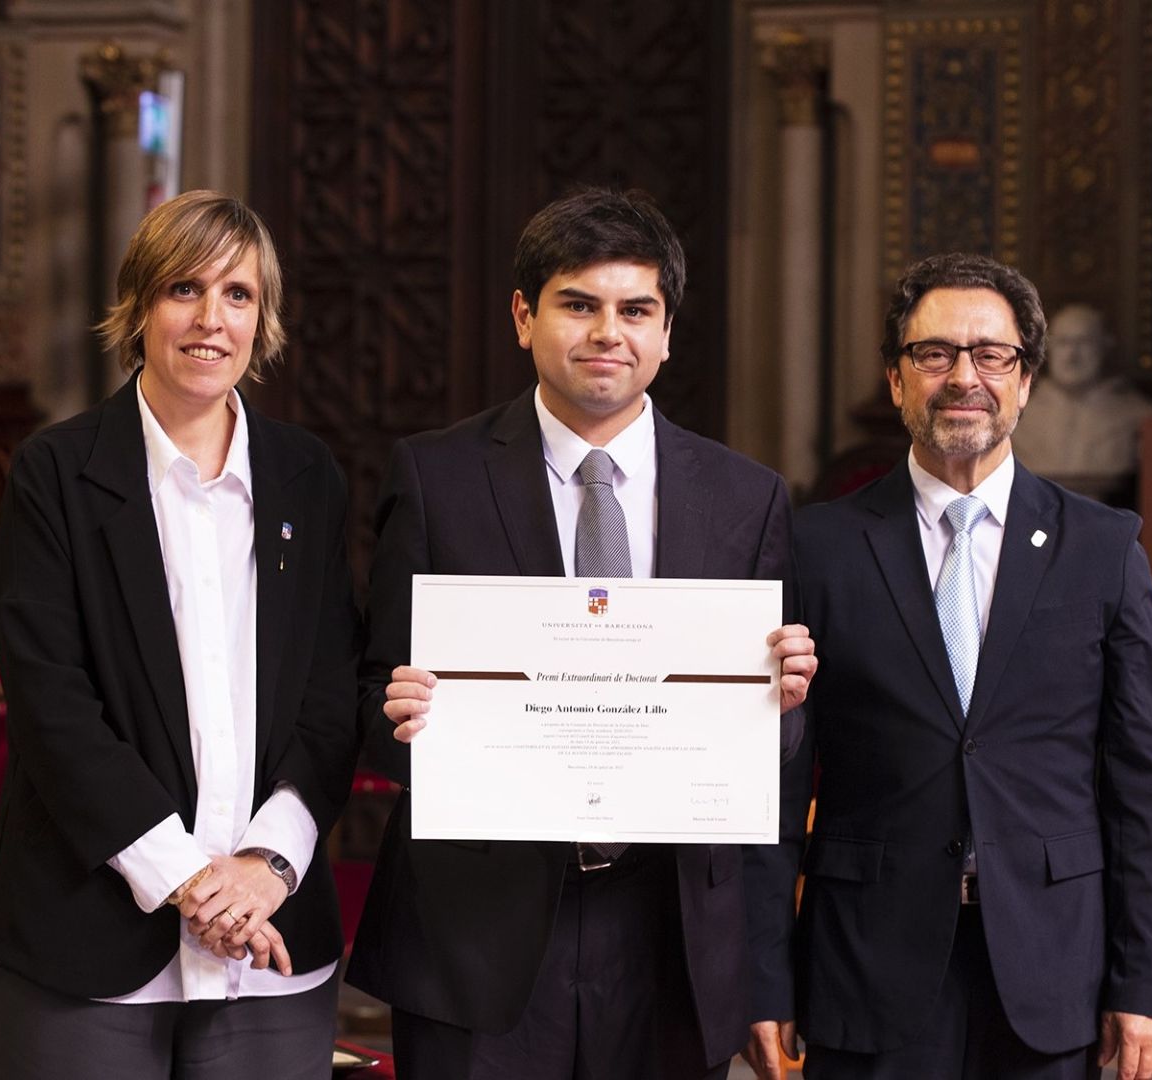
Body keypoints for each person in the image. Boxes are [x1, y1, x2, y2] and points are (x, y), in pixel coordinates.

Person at [346, 186, 818, 1080]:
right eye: (578, 305)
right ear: (525, 316)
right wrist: (400, 717)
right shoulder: (435, 477)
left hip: (671, 935)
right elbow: (373, 698)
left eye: (635, 309)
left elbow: (774, 757)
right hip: (475, 934)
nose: (609, 332)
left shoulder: (743, 497)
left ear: (667, 331)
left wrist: (782, 704)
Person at [744, 254, 1152, 1080]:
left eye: (991, 355)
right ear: (895, 379)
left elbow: (1145, 783)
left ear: (1025, 381)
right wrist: (762, 975)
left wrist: (1148, 979)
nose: (963, 378)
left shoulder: (1103, 548)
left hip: (1054, 967)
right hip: (866, 961)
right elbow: (776, 779)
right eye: (934, 354)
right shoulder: (818, 547)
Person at [0, 190, 360, 1079]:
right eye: (183, 289)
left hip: (273, 950)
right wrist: (190, 881)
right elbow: (52, 706)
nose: (210, 319)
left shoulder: (308, 477)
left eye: (238, 294)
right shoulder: (56, 472)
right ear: (139, 306)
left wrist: (269, 865)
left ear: (261, 318)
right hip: (90, 946)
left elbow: (332, 693)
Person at [1008, 303, 1152, 504]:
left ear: (1105, 346)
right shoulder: (1014, 412)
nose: (1072, 355)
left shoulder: (1139, 415)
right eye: (1063, 342)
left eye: (1084, 342)